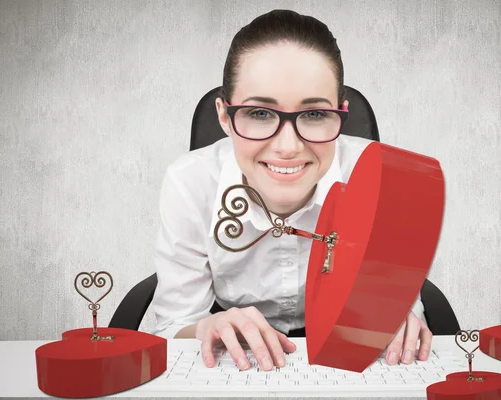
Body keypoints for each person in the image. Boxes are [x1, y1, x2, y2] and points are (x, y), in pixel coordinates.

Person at [150, 9, 432, 372]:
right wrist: (204, 326)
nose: (287, 146)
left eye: (314, 115)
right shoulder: (189, 182)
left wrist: (402, 318)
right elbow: (173, 324)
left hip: (353, 351)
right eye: (259, 114)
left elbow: (404, 304)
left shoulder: (384, 179)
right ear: (224, 117)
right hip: (236, 357)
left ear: (340, 114)